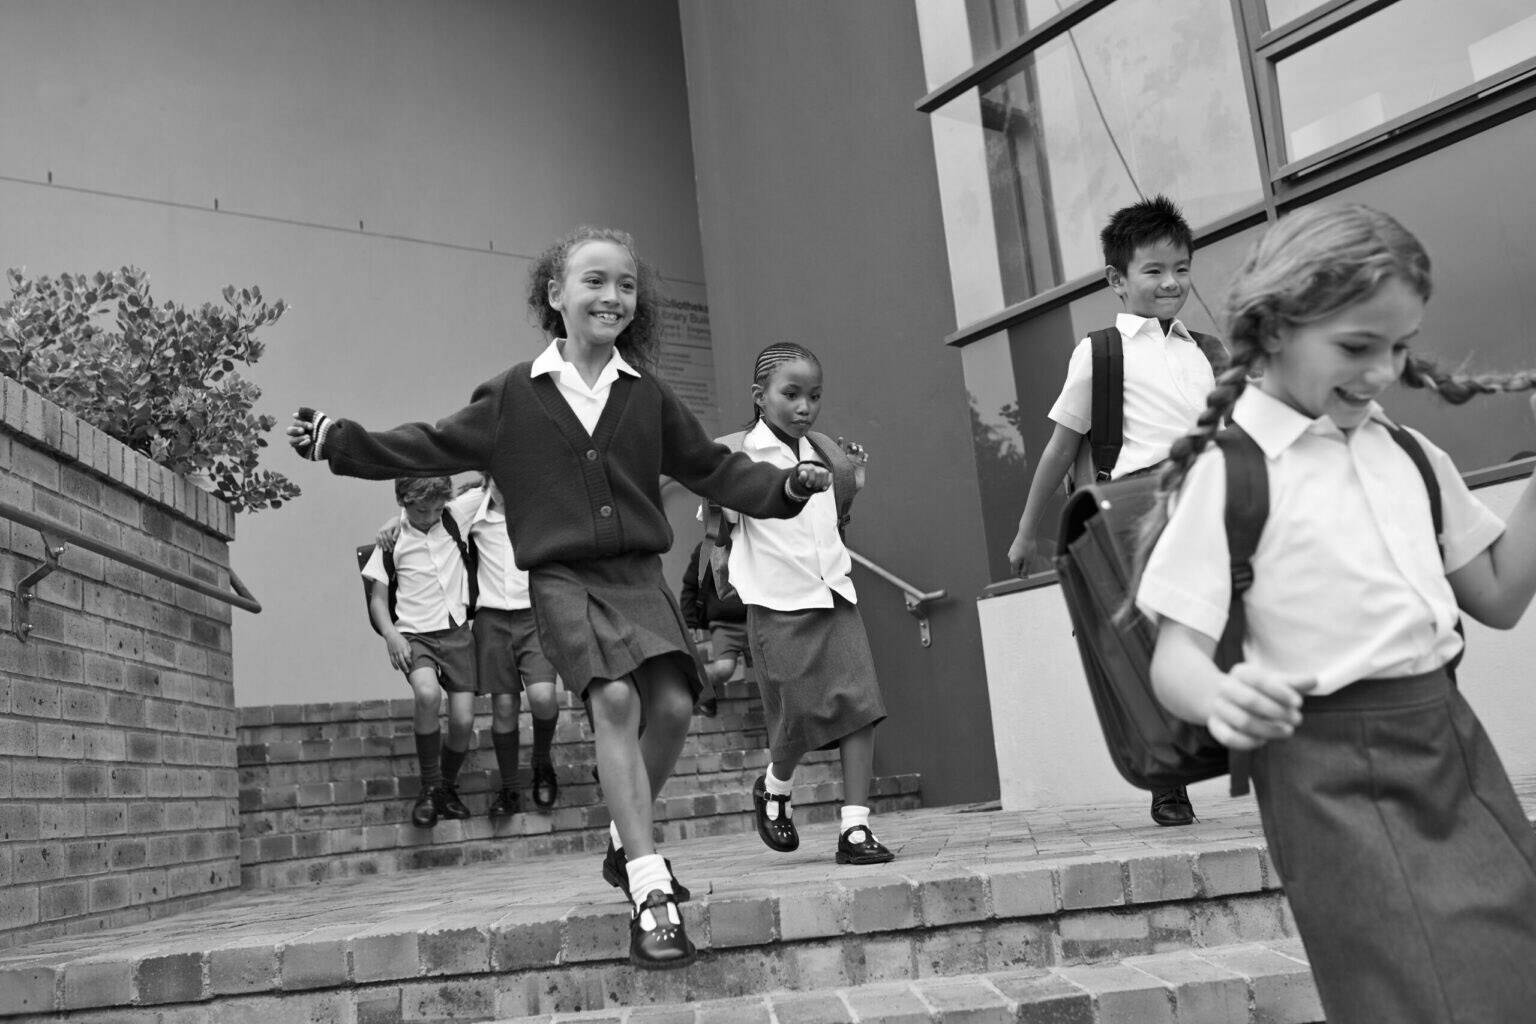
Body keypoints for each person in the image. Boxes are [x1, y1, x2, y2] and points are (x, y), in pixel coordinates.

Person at [289, 226, 831, 970]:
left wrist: (783, 488)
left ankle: (621, 839)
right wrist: (339, 441)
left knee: (674, 705)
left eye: (626, 286)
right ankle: (649, 889)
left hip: (639, 576)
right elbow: (432, 444)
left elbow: (711, 468)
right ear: (555, 294)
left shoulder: (646, 395)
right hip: (563, 580)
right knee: (614, 702)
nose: (612, 296)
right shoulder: (516, 394)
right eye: (595, 281)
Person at [1134, 203, 1536, 1023]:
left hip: (1455, 751)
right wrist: (1218, 697)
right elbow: (1175, 656)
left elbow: (1497, 596)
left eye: (1399, 346)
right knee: (1421, 994)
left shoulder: (1410, 454)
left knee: (1514, 973)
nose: (1383, 371)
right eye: (1357, 347)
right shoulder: (1233, 471)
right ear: (1275, 328)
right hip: (1330, 776)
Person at [1005, 193, 1220, 828]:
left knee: (1220, 633)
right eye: (1153, 271)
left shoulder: (1207, 350)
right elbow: (1059, 448)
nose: (1171, 282)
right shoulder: (1101, 353)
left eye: (1181, 267)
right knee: (1153, 643)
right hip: (1136, 513)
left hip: (1208, 505)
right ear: (1116, 281)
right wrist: (1025, 533)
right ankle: (1168, 779)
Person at [725, 342, 892, 866]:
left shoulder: (823, 450)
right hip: (776, 602)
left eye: (814, 396)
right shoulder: (737, 457)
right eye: (791, 394)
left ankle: (855, 829)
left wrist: (852, 481)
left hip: (834, 591)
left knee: (861, 708)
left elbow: (832, 520)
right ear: (760, 396)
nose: (805, 407)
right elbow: (725, 518)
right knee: (796, 714)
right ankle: (775, 787)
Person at [378, 474, 563, 815]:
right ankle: (509, 791)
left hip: (534, 618)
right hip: (491, 621)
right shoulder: (471, 513)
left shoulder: (539, 509)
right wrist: (397, 519)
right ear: (490, 480)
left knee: (542, 697)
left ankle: (541, 761)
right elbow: (428, 507)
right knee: (504, 708)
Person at [360, 476, 478, 830]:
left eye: (435, 509)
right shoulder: (391, 541)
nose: (429, 516)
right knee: (427, 694)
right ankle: (428, 788)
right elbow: (378, 600)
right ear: (403, 501)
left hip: (457, 632)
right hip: (415, 635)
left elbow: (492, 485)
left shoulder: (455, 516)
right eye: (419, 509)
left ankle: (447, 788)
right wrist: (391, 635)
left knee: (463, 720)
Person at [678, 538, 747, 718]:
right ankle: (700, 689)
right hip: (724, 623)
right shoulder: (707, 549)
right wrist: (689, 622)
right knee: (723, 668)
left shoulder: (753, 540)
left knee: (770, 669)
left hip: (757, 618)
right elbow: (690, 587)